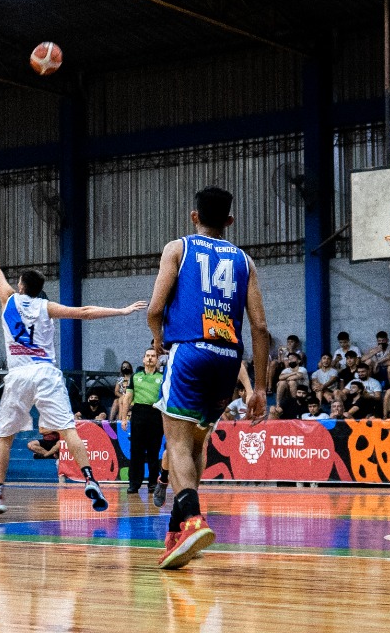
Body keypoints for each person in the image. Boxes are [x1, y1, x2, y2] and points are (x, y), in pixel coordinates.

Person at [0, 210, 147, 519]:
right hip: (48, 373)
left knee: (4, 438)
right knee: (69, 431)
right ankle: (90, 478)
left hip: (20, 373)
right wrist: (121, 311)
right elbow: (85, 311)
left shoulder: (9, 300)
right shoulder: (46, 307)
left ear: (21, 286)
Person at [147, 186, 270, 570]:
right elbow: (261, 328)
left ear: (193, 215)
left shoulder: (178, 248)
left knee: (177, 442)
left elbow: (154, 309)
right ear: (229, 221)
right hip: (228, 358)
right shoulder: (245, 260)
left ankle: (194, 519)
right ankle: (177, 533)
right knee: (196, 443)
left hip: (191, 350)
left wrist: (159, 340)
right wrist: (261, 387)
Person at [119, 348, 165, 497]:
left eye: (153, 356)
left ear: (157, 360)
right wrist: (124, 418)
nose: (150, 358)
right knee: (136, 451)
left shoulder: (163, 377)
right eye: (148, 356)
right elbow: (127, 398)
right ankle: (134, 484)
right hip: (139, 413)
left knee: (153, 451)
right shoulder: (136, 377)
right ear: (143, 359)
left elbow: (167, 397)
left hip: (156, 414)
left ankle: (152, 484)